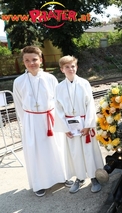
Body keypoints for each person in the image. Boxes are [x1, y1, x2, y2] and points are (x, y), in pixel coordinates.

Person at [13, 46, 71, 197]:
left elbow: (58, 101)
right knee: (36, 152)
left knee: (56, 148)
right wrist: (27, 123)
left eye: (34, 59)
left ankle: (62, 177)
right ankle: (39, 184)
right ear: (23, 61)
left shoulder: (50, 78)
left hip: (50, 119)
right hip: (31, 120)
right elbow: (19, 105)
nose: (31, 63)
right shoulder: (19, 82)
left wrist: (61, 120)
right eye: (27, 60)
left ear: (40, 60)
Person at [54, 55, 104, 194]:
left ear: (77, 67)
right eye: (67, 67)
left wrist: (88, 125)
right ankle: (80, 178)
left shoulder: (84, 83)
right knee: (75, 153)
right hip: (71, 125)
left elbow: (90, 106)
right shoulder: (59, 87)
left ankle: (94, 177)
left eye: (73, 66)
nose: (71, 69)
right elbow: (58, 109)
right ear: (62, 69)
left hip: (84, 123)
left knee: (88, 151)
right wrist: (64, 128)